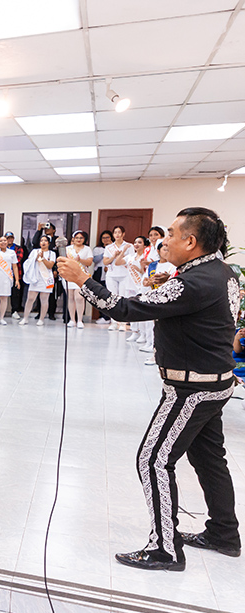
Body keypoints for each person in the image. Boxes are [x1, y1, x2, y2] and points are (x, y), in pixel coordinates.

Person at [58, 207, 241, 570]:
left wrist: (82, 279)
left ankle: (165, 549)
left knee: (153, 459)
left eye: (171, 234)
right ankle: (223, 533)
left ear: (191, 241)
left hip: (191, 388)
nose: (163, 241)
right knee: (209, 458)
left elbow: (124, 309)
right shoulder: (223, 271)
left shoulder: (190, 283)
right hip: (216, 381)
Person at [102, 225, 134, 331]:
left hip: (125, 275)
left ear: (123, 234)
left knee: (123, 298)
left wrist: (122, 255)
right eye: (115, 232)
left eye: (119, 232)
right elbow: (105, 262)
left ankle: (123, 323)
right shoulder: (109, 247)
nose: (117, 234)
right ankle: (114, 322)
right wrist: (114, 256)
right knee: (112, 298)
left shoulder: (129, 246)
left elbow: (131, 260)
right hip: (112, 275)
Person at [19, 235, 56, 326]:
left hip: (46, 279)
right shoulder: (34, 251)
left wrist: (42, 258)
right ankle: (25, 318)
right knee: (30, 299)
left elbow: (50, 266)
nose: (43, 242)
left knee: (44, 300)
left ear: (49, 243)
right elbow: (28, 262)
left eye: (45, 240)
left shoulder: (52, 253)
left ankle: (41, 319)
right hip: (35, 278)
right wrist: (36, 257)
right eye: (41, 240)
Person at [62, 231, 93, 328]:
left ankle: (80, 319)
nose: (79, 239)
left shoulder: (87, 249)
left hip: (81, 275)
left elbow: (89, 262)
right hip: (69, 275)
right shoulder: (68, 249)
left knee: (79, 297)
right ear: (73, 239)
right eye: (77, 237)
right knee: (70, 298)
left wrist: (80, 260)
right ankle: (72, 320)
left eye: (81, 238)